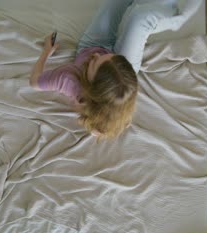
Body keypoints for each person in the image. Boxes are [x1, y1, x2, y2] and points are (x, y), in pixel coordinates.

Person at [30, 0, 193, 139]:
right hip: (121, 72)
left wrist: (46, 52)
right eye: (97, 60)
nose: (96, 56)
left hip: (95, 49)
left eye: (97, 61)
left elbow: (34, 82)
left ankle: (118, 60)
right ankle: (175, 18)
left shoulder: (68, 79)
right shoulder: (120, 99)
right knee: (139, 19)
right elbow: (107, 126)